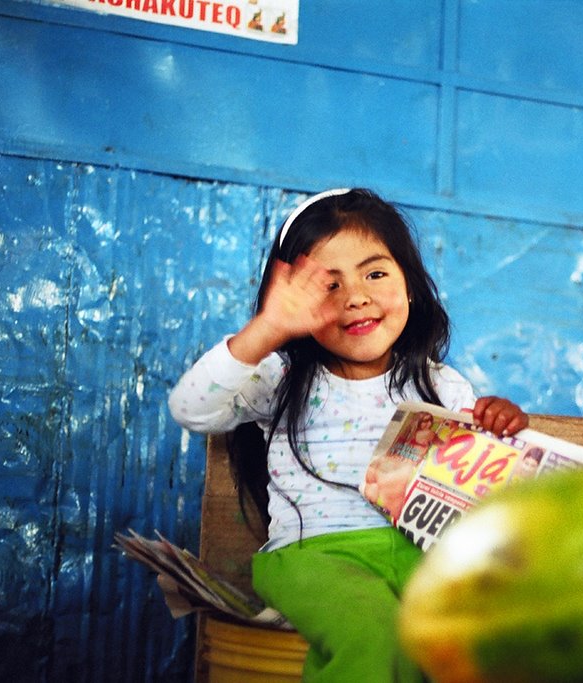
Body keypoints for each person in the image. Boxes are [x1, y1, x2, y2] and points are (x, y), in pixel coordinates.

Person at [168, 187, 528, 681]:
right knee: (374, 634)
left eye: (375, 273)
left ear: (410, 287)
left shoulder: (440, 384)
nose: (356, 296)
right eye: (327, 285)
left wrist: (498, 419)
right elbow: (191, 409)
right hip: (315, 556)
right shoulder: (278, 380)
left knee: (483, 637)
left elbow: (473, 477)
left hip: (416, 554)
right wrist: (267, 328)